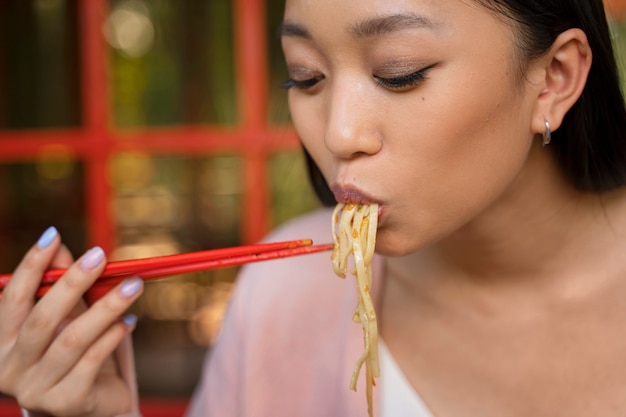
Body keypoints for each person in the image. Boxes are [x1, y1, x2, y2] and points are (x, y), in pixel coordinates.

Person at [2, 0, 626, 416]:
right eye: (306, 77)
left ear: (555, 77)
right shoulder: (285, 295)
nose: (338, 133)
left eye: (399, 72)